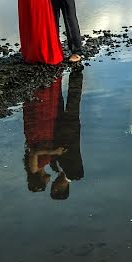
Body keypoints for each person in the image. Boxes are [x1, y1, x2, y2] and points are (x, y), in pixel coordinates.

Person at [22, 75, 65, 192]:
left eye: (46, 184)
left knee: (39, 112)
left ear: (40, 180)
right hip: (45, 136)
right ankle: (47, 86)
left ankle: (41, 88)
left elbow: (34, 153)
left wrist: (53, 151)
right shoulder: (44, 166)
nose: (48, 182)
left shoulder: (34, 169)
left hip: (37, 135)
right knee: (47, 112)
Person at [49, 72, 84, 200]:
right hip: (71, 130)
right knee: (74, 97)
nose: (53, 183)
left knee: (57, 100)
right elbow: (75, 167)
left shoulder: (54, 167)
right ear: (59, 188)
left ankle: (56, 75)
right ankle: (76, 70)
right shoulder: (76, 174)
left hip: (57, 129)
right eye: (54, 187)